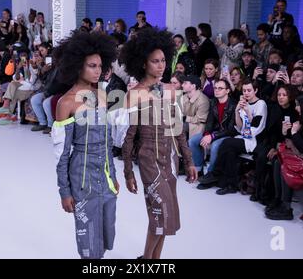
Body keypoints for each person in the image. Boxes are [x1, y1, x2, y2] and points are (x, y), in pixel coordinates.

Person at [120, 28, 197, 260]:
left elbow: (179, 131)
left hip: (170, 160)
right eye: (155, 61)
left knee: (167, 216)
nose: (161, 65)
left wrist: (190, 161)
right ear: (143, 64)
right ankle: (145, 260)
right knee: (159, 213)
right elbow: (129, 138)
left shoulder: (171, 91)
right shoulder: (134, 94)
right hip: (149, 160)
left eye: (164, 60)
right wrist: (127, 173)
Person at [52, 32, 119, 259]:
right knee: (89, 243)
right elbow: (61, 154)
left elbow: (108, 141)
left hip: (105, 177)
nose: (98, 70)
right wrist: (65, 191)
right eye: (92, 65)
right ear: (77, 66)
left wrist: (114, 174)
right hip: (81, 177)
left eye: (100, 65)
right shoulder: (66, 103)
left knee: (107, 234)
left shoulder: (101, 94)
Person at [213, 80, 268, 195]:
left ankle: (216, 173)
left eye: (249, 90)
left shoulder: (261, 104)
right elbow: (239, 126)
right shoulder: (244, 103)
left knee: (227, 143)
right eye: (244, 91)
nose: (246, 93)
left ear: (256, 91)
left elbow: (254, 128)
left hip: (255, 140)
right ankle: (229, 183)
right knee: (230, 151)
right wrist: (237, 111)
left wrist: (248, 112)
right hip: (244, 136)